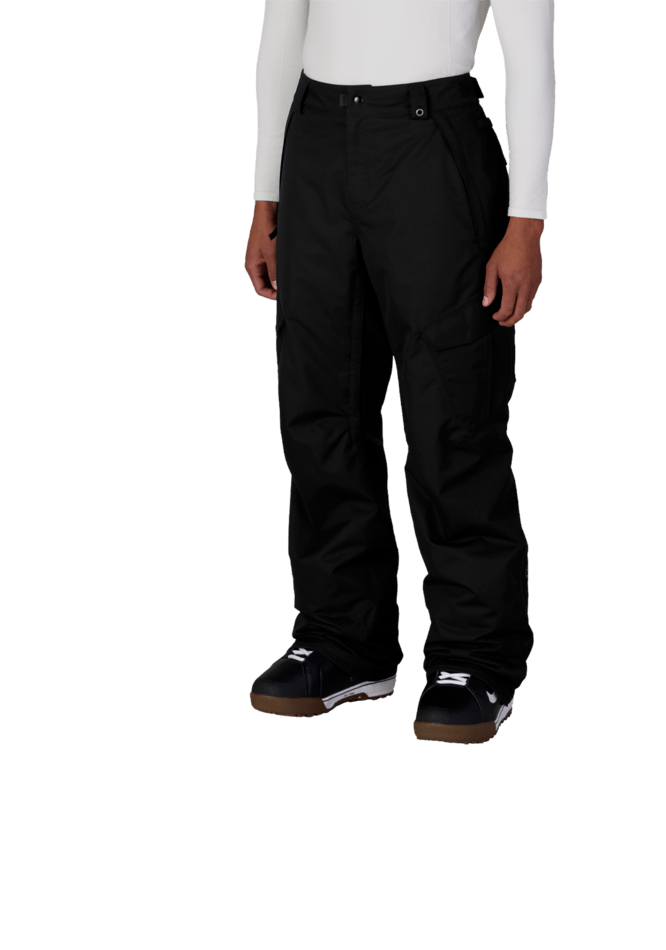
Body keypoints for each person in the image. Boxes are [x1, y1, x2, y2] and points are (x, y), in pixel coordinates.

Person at [244, 0, 556, 745]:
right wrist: (265, 193)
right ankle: (341, 639)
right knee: (319, 403)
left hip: (432, 141)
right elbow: (282, 30)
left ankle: (476, 658)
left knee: (452, 409)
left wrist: (526, 221)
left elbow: (531, 58)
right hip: (314, 142)